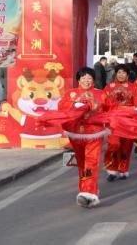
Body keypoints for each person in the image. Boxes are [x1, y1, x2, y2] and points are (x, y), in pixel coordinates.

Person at [46, 67, 108, 208]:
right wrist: (74, 105)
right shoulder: (71, 94)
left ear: (93, 79)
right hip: (76, 133)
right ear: (78, 79)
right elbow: (62, 108)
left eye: (89, 78)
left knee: (91, 161)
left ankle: (88, 191)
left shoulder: (100, 94)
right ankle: (87, 188)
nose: (87, 80)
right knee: (81, 162)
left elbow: (109, 108)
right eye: (84, 78)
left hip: (94, 132)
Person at [104, 64, 137, 181]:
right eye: (119, 72)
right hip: (113, 122)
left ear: (127, 74)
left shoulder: (133, 87)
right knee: (113, 145)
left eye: (123, 73)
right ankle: (112, 169)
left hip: (128, 122)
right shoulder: (109, 87)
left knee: (126, 147)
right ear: (115, 74)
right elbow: (103, 103)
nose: (121, 75)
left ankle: (123, 169)